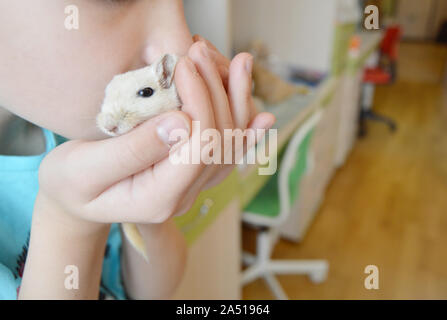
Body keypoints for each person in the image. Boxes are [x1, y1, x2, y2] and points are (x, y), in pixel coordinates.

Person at [0, 0, 275, 299]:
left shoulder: (80, 131)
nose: (179, 44)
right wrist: (71, 221)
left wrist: (151, 206)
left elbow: (149, 291)